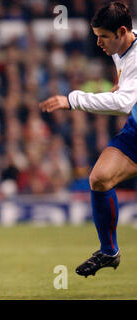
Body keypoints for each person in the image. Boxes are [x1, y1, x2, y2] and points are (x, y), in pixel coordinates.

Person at [39, 2, 137, 277]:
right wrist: (123, 82)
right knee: (99, 178)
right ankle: (109, 251)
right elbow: (126, 86)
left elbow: (122, 103)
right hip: (136, 132)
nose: (98, 43)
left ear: (121, 31)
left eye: (103, 37)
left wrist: (71, 99)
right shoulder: (124, 46)